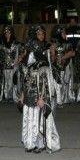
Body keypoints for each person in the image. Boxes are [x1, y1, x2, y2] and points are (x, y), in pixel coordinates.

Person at [19, 25, 60, 153]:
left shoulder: (42, 61)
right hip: (29, 94)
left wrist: (42, 98)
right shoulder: (27, 60)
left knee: (40, 119)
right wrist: (22, 95)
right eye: (39, 34)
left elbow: (45, 80)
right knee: (30, 118)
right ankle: (31, 143)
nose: (41, 36)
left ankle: (40, 143)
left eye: (43, 34)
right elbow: (25, 79)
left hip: (39, 96)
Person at [51, 25, 76, 106]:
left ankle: (65, 97)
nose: (65, 35)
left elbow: (72, 53)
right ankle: (59, 98)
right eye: (63, 33)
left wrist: (63, 57)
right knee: (58, 82)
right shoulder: (54, 44)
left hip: (66, 66)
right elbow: (52, 57)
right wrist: (53, 53)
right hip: (57, 67)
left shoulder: (68, 44)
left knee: (66, 81)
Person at [0, 25, 22, 103]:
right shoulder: (1, 44)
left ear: (12, 33)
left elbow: (20, 53)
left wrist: (17, 61)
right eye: (6, 33)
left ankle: (13, 96)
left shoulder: (16, 43)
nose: (7, 34)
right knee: (5, 80)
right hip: (4, 65)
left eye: (9, 32)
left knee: (12, 80)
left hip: (13, 65)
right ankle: (5, 96)